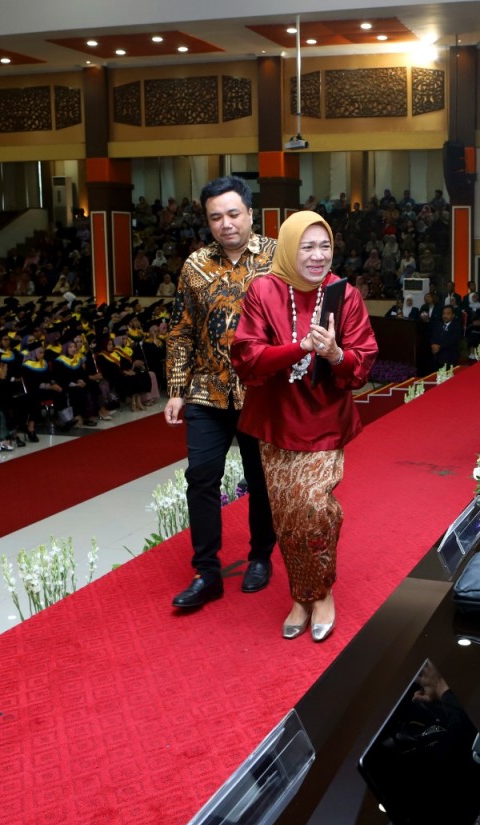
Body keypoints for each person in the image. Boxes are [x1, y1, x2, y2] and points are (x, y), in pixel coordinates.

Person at [231, 210, 378, 642]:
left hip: (323, 420)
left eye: (325, 246)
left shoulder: (343, 295)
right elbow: (248, 357)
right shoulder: (263, 290)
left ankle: (321, 592)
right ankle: (301, 594)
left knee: (314, 507)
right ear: (289, 249)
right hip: (275, 421)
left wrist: (334, 354)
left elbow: (362, 361)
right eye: (307, 247)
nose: (317, 256)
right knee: (289, 517)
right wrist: (299, 348)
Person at [163, 175, 277, 612]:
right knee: (201, 479)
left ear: (250, 213)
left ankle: (260, 557)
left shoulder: (276, 258)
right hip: (205, 393)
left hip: (261, 393)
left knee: (261, 480)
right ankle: (206, 572)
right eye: (216, 217)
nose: (226, 224)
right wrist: (175, 389)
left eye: (233, 214)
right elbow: (181, 330)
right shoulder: (194, 266)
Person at [429, 305, 461, 369]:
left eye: (448, 314)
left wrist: (438, 346)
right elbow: (432, 336)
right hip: (436, 355)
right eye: (444, 313)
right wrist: (433, 344)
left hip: (449, 356)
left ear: (453, 315)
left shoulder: (456, 326)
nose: (445, 316)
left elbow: (452, 340)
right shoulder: (438, 325)